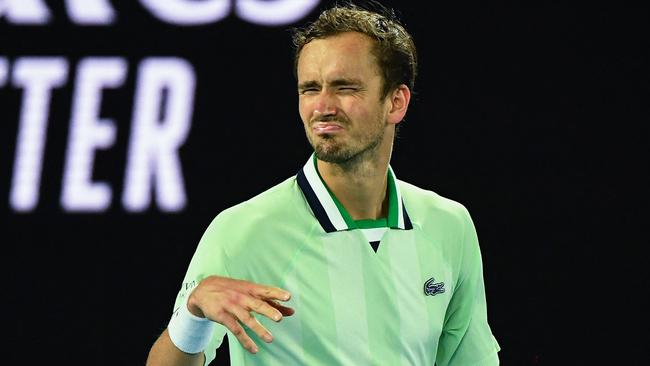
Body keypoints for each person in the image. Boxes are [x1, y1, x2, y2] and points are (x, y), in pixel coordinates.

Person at [146, 2, 500, 365]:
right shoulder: (242, 231)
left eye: (345, 87)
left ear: (396, 102)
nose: (323, 106)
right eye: (310, 88)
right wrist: (192, 314)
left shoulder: (449, 225)